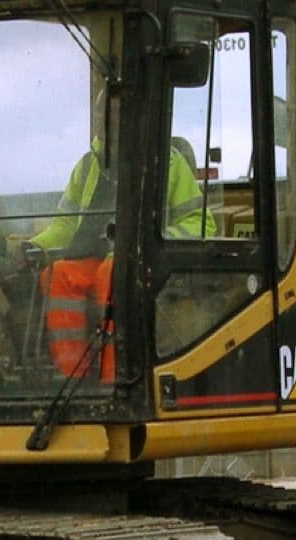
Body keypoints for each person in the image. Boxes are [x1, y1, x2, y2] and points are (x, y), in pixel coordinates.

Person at [29, 89, 213, 382]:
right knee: (57, 275)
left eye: (116, 113)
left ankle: (115, 381)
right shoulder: (88, 166)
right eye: (104, 112)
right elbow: (65, 225)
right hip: (94, 256)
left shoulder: (167, 161)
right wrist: (35, 246)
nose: (109, 119)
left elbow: (200, 223)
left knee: (111, 275)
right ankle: (74, 379)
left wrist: (151, 240)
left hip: (143, 262)